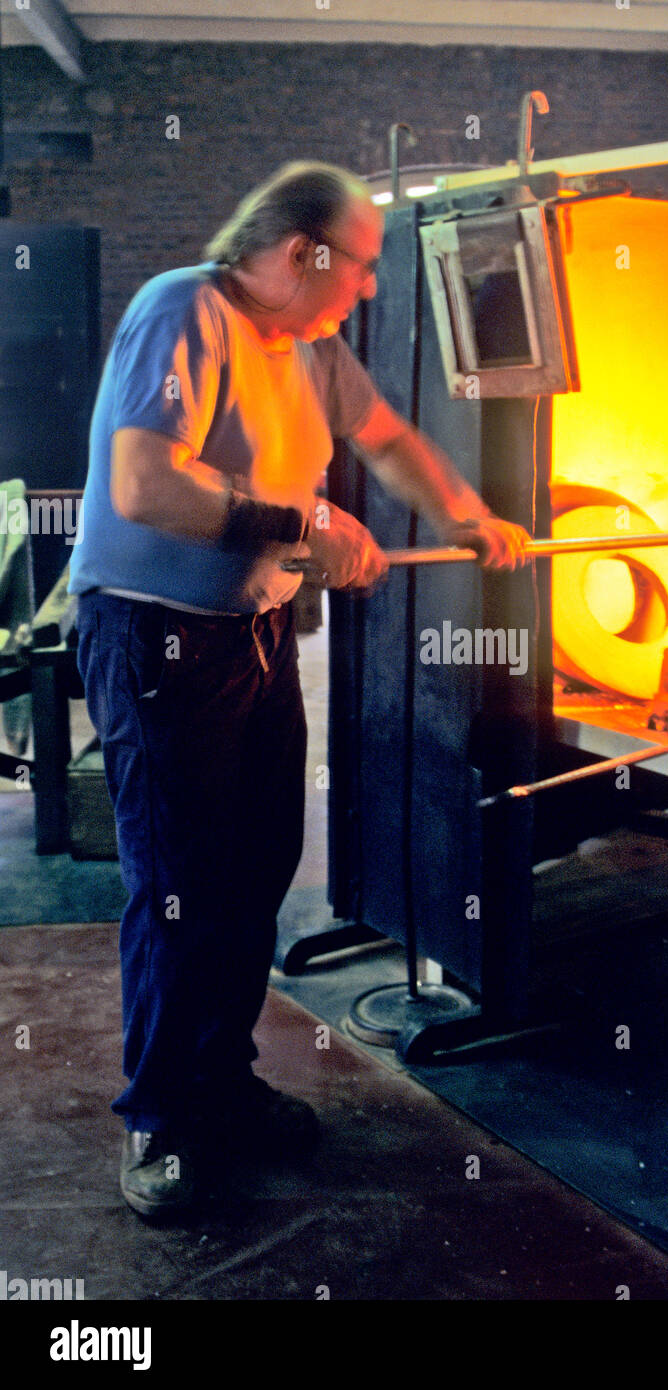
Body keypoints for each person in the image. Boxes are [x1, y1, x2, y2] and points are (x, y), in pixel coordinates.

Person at [68, 161, 530, 1219]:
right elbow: (146, 483)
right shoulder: (180, 310)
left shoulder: (309, 346)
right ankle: (158, 1118)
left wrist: (468, 515)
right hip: (154, 640)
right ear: (294, 255)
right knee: (180, 886)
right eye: (358, 266)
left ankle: (218, 1084)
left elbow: (389, 440)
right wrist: (304, 525)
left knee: (252, 873)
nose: (367, 288)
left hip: (255, 637)